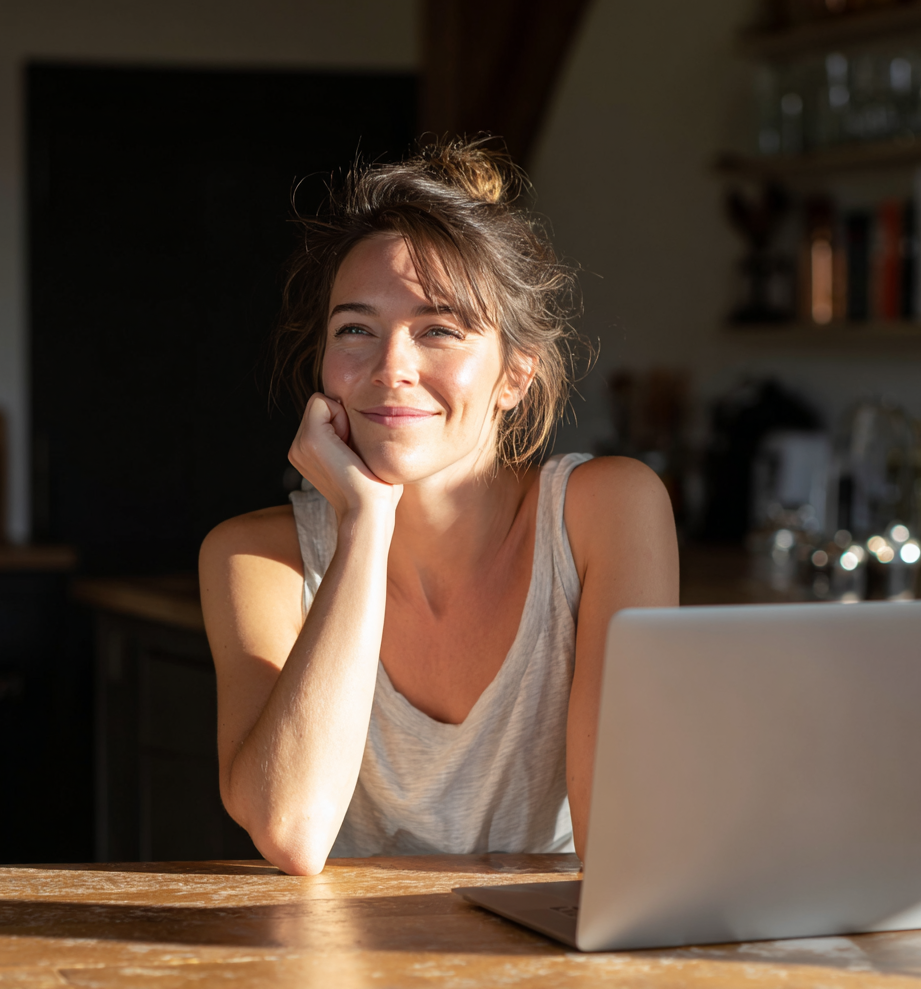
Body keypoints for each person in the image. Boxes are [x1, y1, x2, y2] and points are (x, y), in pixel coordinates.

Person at [199, 139, 678, 876]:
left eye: (440, 331)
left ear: (516, 374)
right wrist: (363, 525)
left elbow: (621, 841)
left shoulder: (604, 513)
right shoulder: (255, 557)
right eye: (355, 329)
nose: (391, 368)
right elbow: (290, 830)